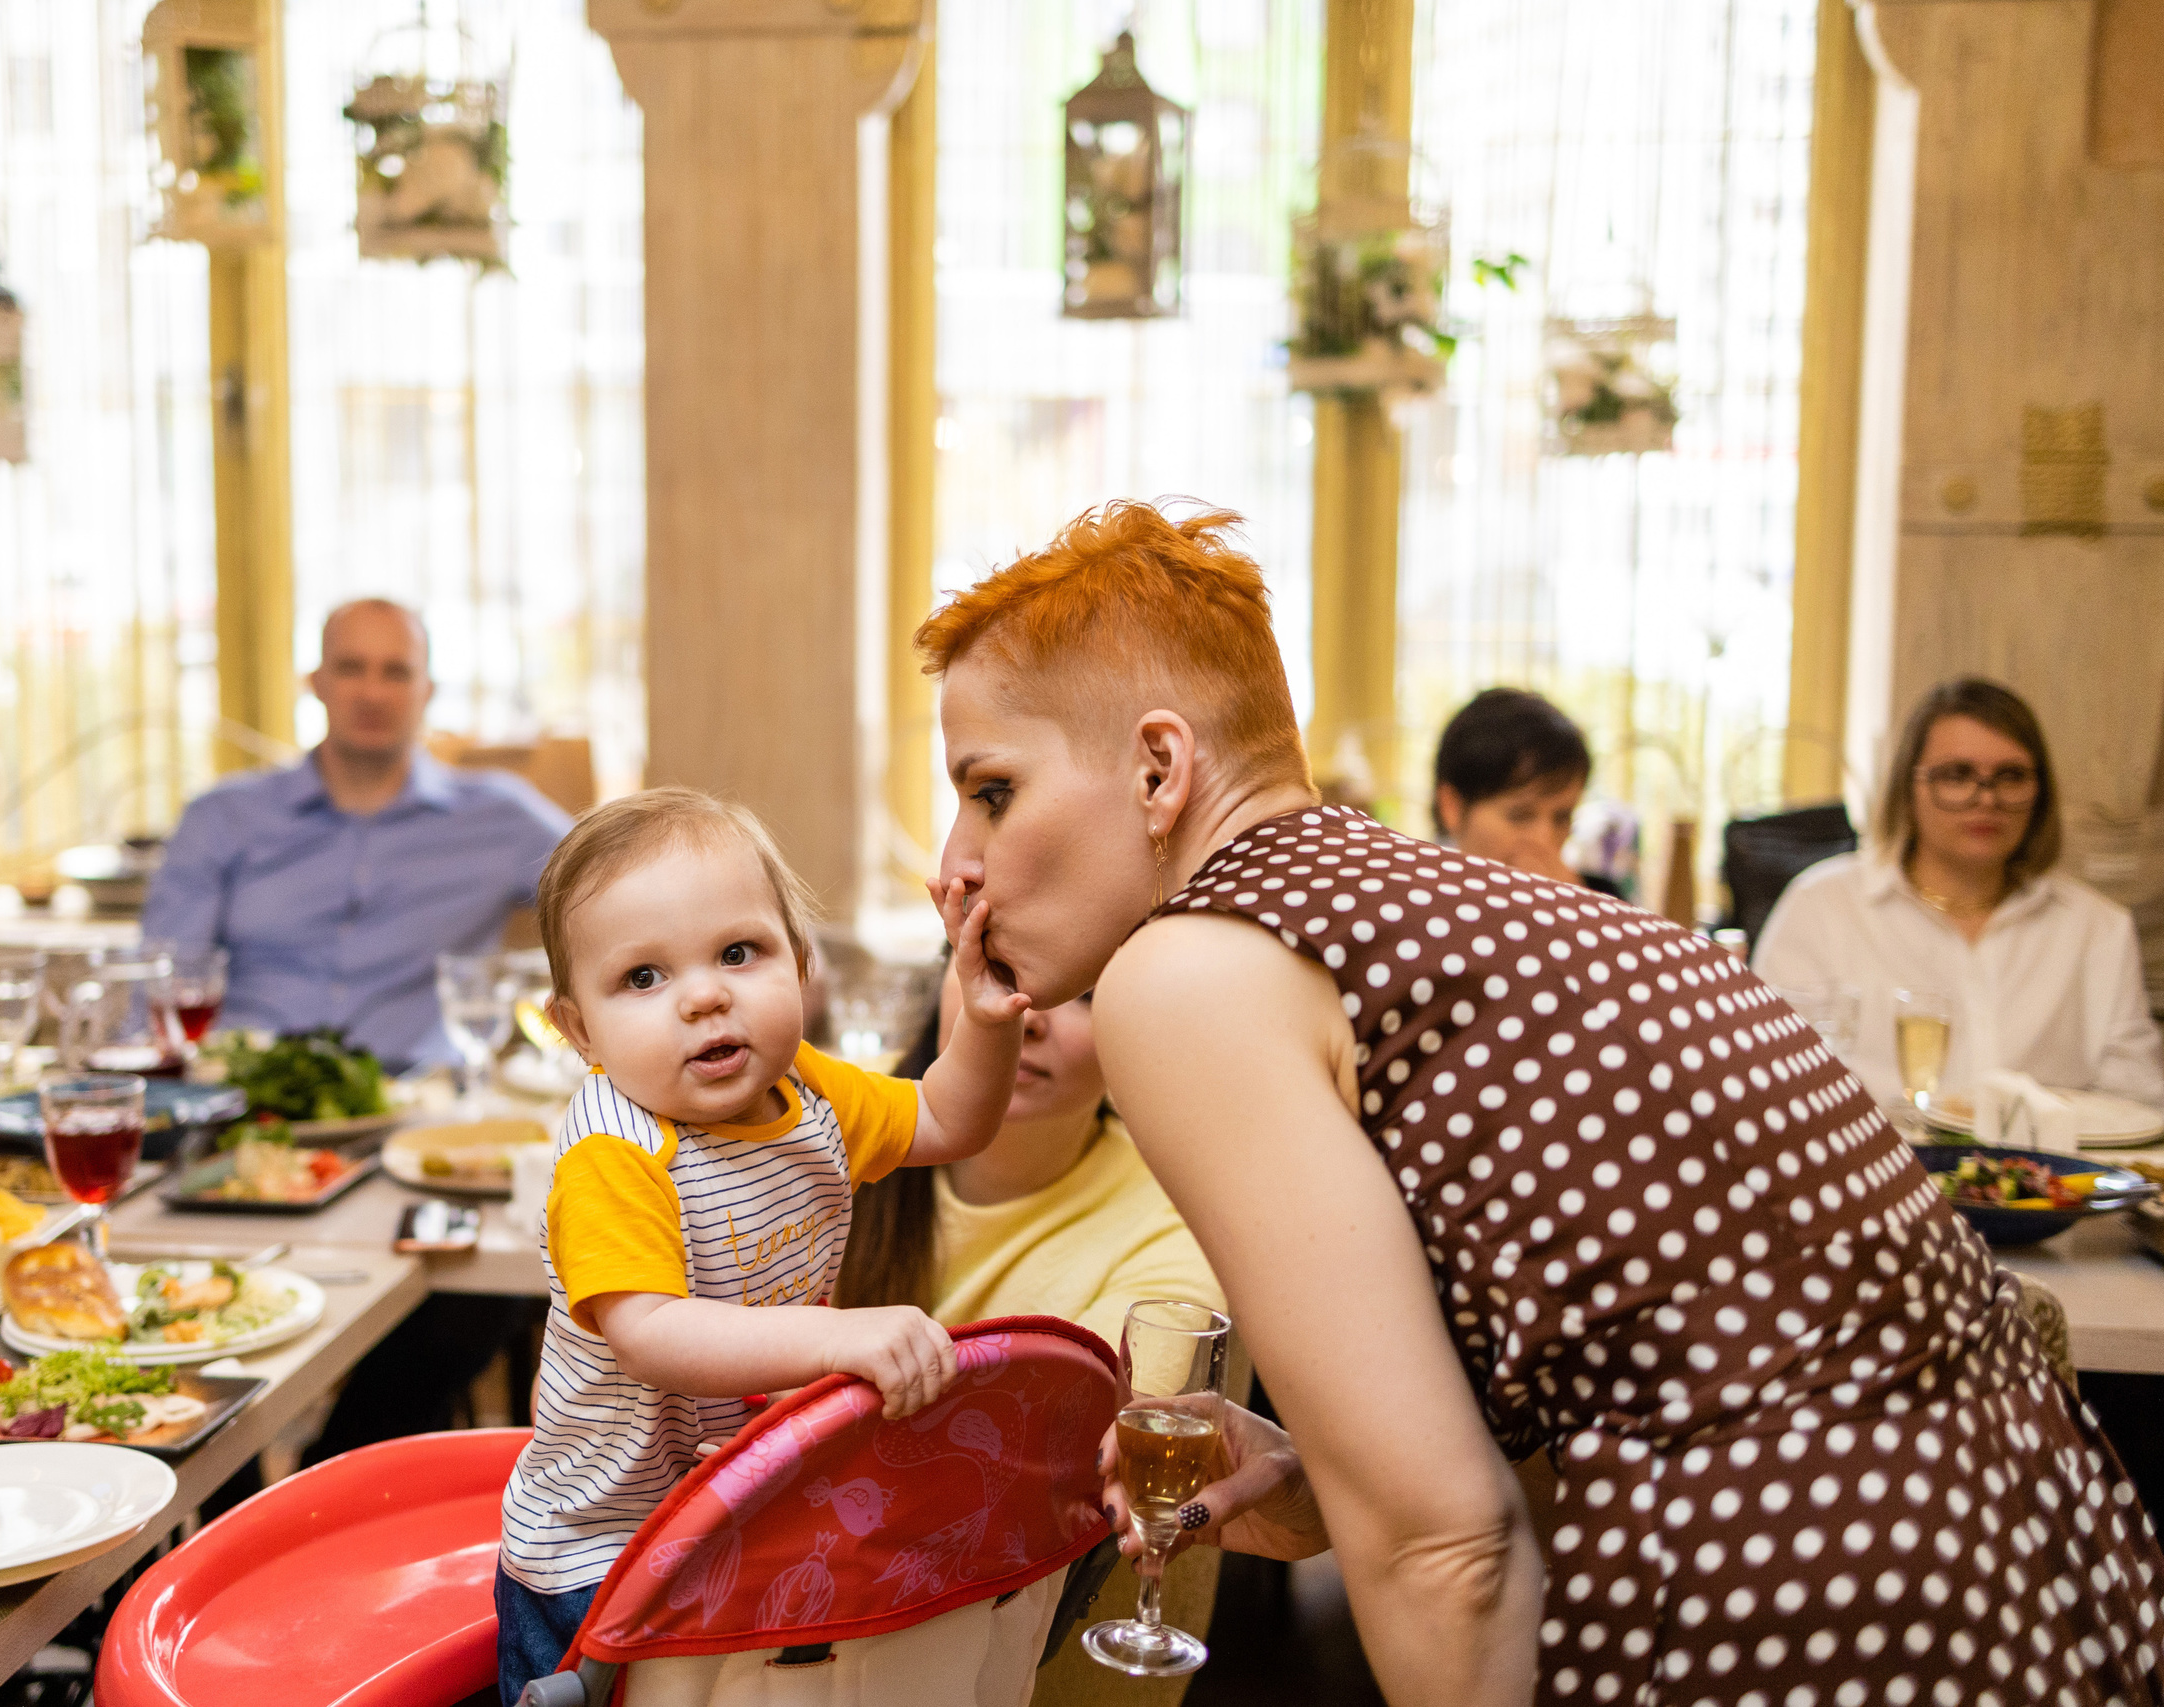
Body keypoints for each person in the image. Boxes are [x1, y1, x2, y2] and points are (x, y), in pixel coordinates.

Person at [913, 499, 2163, 1704]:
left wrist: (1396, 1517)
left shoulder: (1183, 973)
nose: (951, 864)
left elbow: (1447, 1550)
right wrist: (1323, 1480)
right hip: (2021, 1560)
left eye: (993, 790)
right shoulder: (1433, 913)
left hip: (1801, 1593)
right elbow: (1624, 1364)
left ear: (1158, 768)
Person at [495, 788, 1030, 1704]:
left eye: (739, 953)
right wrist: (837, 1340)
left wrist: (985, 1019)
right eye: (644, 978)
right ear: (579, 1030)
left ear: (802, 966)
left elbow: (949, 1115)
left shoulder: (808, 1091)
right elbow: (651, 1330)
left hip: (735, 1514)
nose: (706, 995)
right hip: (600, 1547)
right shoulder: (615, 1152)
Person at [835, 962, 1225, 1707]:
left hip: (987, 1631)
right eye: (1003, 971)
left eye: (1080, 994)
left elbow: (1068, 1434)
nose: (1029, 1014)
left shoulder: (1178, 1213)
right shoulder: (830, 1137)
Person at [141, 598, 571, 1072]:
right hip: (245, 1097)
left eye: (396, 672)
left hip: (418, 1113)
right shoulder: (220, 817)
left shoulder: (501, 817)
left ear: (427, 691)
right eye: (351, 669)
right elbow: (157, 984)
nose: (372, 693)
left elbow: (619, 890)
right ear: (316, 684)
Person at [1755, 676, 2164, 1106]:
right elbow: (1768, 1088)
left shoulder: (2099, 929)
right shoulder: (1821, 907)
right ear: (1908, 787)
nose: (1985, 799)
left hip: (2049, 1169)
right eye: (1956, 775)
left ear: (2040, 792)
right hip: (1868, 1166)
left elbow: (2137, 1106)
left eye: (2011, 776)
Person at [1433, 687, 1616, 894]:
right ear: (1452, 807)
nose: (1544, 840)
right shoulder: (1413, 900)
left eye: (1562, 818)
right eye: (1520, 816)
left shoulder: (1602, 899)